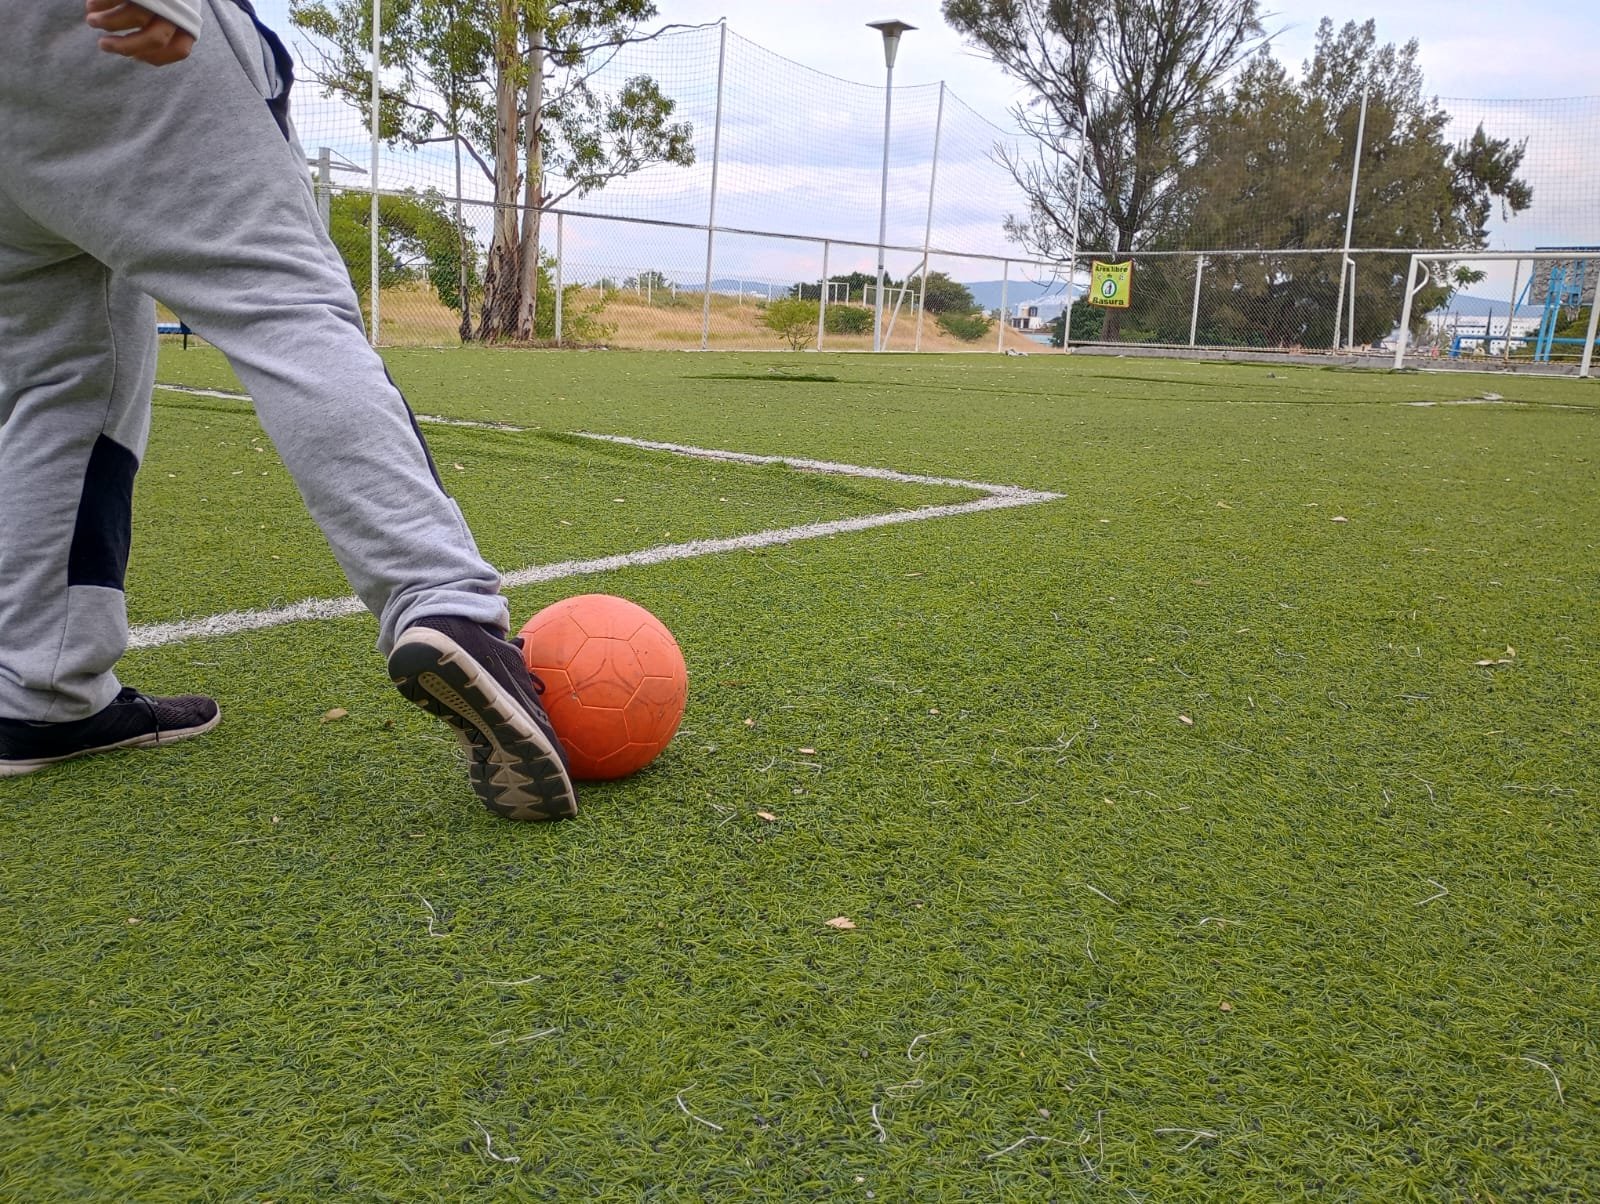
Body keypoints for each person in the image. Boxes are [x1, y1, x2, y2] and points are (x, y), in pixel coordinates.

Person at [0, 0, 578, 822]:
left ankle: (40, 687)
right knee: (285, 304)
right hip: (103, 36)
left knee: (59, 378)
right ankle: (442, 600)